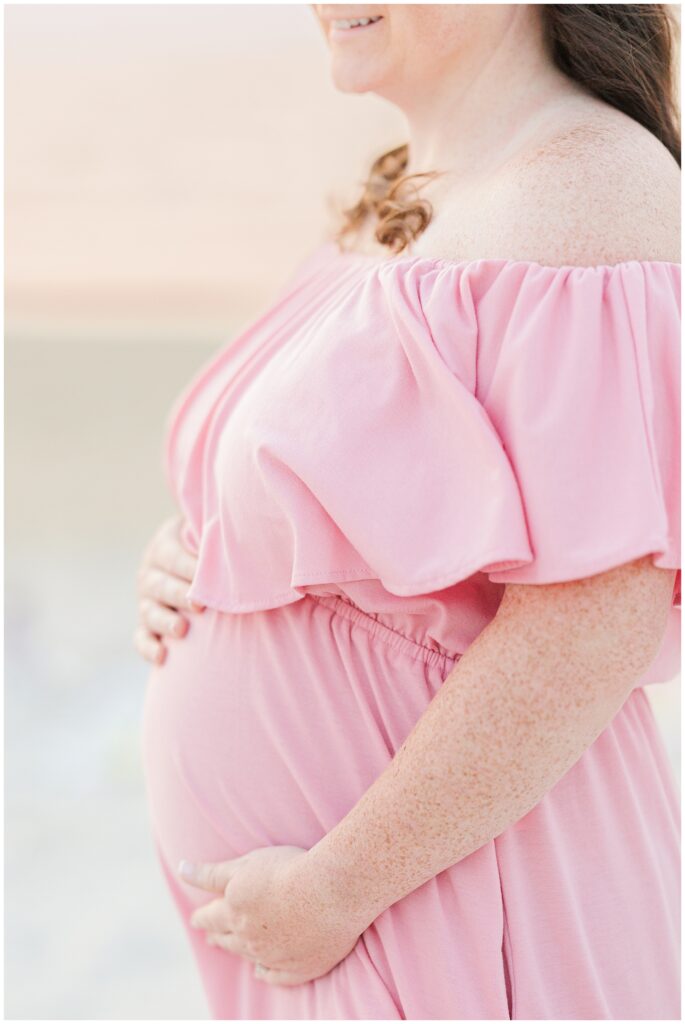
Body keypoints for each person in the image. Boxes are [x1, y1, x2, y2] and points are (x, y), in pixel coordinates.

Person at [135, 5, 681, 1019]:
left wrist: (336, 886)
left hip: (448, 904)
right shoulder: (415, 191)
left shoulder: (587, 193)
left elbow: (592, 624)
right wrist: (188, 558)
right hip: (346, 918)